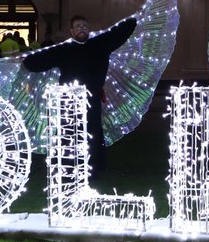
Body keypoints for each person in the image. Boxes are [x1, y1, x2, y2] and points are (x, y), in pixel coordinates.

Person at [22, 14, 137, 173]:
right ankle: (67, 168)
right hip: (69, 101)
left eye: (84, 26)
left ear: (88, 29)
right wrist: (23, 60)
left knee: (93, 133)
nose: (82, 29)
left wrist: (136, 17)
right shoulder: (63, 49)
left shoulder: (99, 45)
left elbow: (119, 33)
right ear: (71, 31)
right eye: (78, 27)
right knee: (68, 134)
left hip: (92, 100)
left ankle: (94, 169)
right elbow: (37, 61)